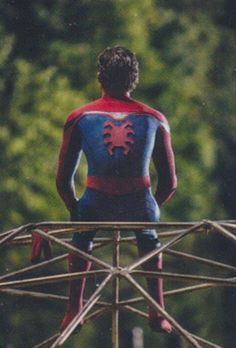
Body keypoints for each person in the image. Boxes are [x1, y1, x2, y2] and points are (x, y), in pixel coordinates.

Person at [56, 46, 177, 334]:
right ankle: (157, 310)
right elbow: (170, 182)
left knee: (81, 241)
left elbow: (63, 180)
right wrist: (152, 208)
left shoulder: (79, 117)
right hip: (140, 204)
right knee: (150, 239)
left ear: (101, 78)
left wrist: (76, 209)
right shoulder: (155, 119)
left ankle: (74, 309)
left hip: (95, 205)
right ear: (134, 78)